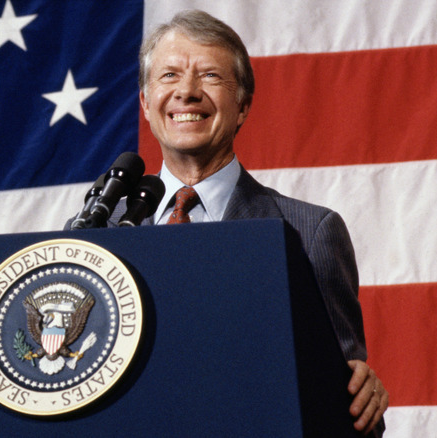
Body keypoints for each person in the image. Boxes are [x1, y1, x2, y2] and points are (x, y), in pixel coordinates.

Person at [94, 9, 388, 435]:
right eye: (169, 75)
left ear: (243, 106)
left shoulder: (310, 231)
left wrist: (362, 397)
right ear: (144, 101)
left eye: (210, 76)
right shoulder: (98, 229)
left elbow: (346, 402)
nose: (187, 92)